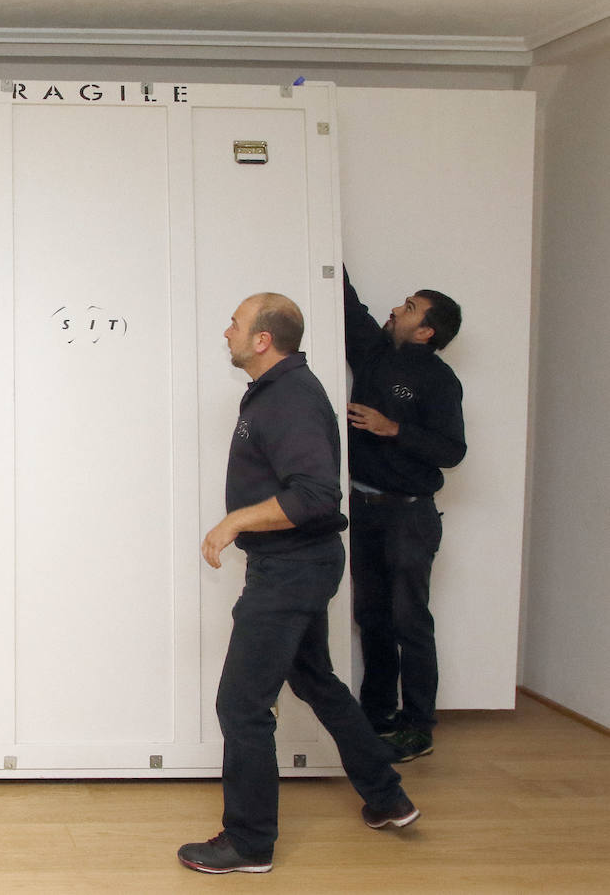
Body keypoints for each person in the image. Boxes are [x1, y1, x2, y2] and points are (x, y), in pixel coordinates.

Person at [179, 293, 418, 875]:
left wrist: (234, 520)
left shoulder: (289, 398)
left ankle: (250, 843)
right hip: (296, 566)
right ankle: (387, 798)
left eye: (235, 322)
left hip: (290, 570)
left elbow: (315, 496)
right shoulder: (276, 392)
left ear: (263, 339)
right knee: (316, 681)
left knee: (241, 705)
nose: (226, 329)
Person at [342, 266, 465, 763]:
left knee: (409, 620)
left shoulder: (439, 380)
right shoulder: (373, 352)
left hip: (409, 516)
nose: (396, 309)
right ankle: (376, 717)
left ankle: (419, 727)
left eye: (410, 308)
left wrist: (392, 428)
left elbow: (452, 451)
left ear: (427, 330)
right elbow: (350, 305)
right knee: (371, 617)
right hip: (364, 510)